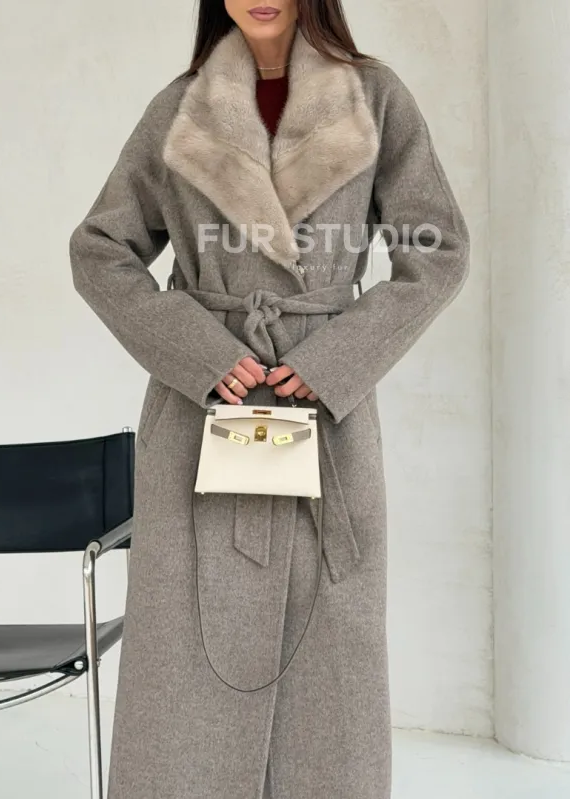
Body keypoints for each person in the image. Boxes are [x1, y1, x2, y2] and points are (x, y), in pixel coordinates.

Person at [68, 1, 470, 797]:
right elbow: (100, 249)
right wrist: (202, 352)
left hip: (326, 419)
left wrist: (333, 359)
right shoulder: (181, 109)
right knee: (188, 648)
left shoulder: (374, 99)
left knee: (329, 656)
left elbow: (439, 250)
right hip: (201, 419)